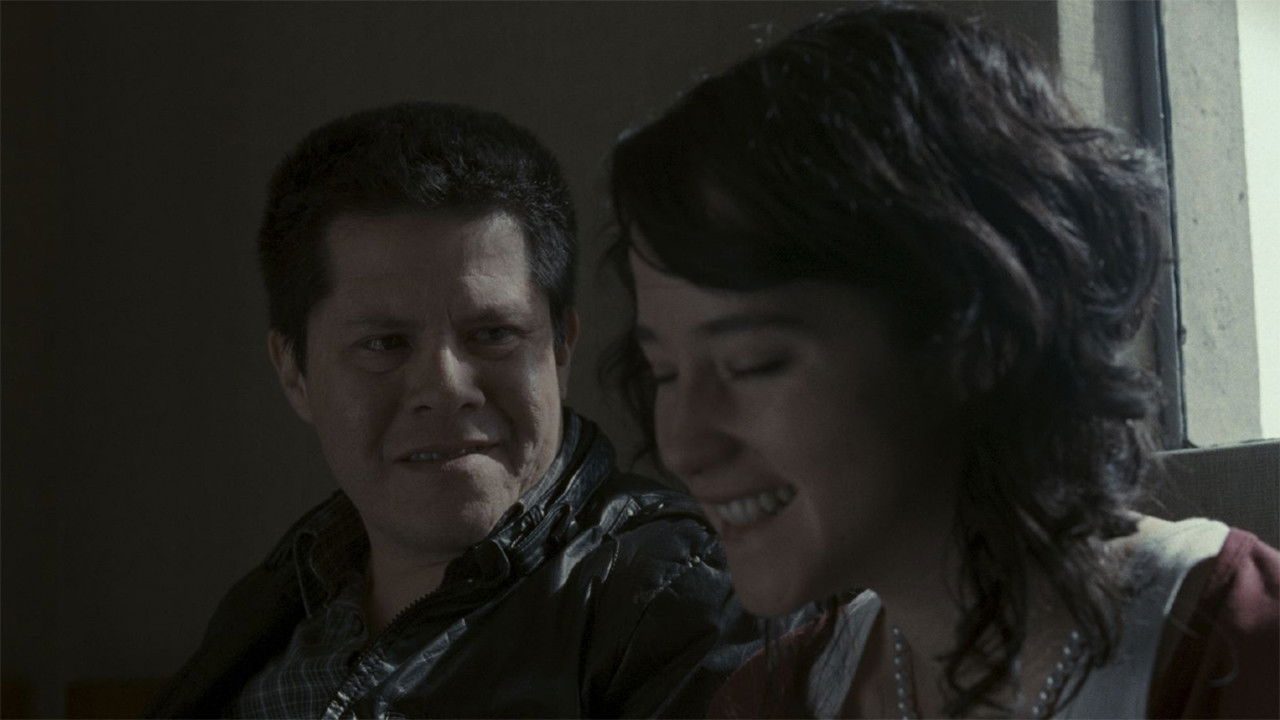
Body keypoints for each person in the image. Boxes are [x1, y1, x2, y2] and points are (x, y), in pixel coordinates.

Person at [606, 5, 1279, 718]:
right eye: (664, 373)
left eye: (751, 363)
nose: (683, 445)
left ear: (982, 331)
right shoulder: (770, 701)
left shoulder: (1246, 651)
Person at [146, 101, 760, 719]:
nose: (445, 387)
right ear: (294, 373)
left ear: (561, 348)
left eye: (493, 334)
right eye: (384, 344)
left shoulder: (683, 595)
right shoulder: (286, 588)